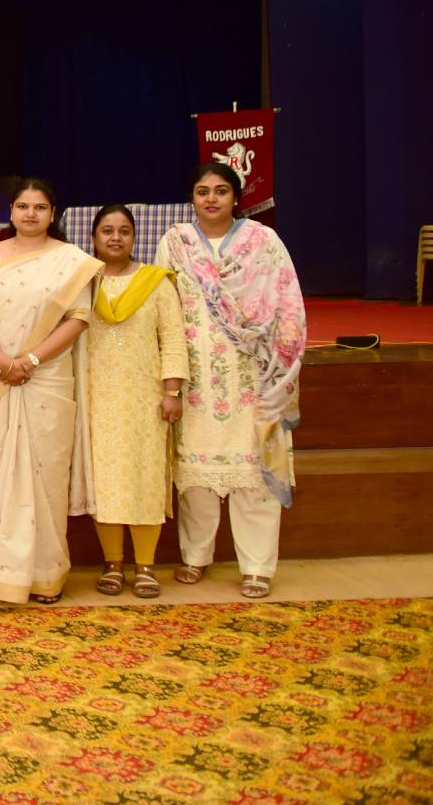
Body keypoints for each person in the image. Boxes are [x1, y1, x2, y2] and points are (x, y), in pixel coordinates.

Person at [156, 163, 305, 599]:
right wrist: (170, 378)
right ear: (192, 198)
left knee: (253, 473)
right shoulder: (176, 242)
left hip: (252, 373)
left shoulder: (263, 241)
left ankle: (257, 566)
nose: (211, 199)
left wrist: (280, 369)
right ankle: (195, 556)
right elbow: (164, 307)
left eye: (221, 191)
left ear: (236, 198)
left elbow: (288, 304)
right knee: (195, 475)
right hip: (196, 374)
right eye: (202, 191)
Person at [0, 178, 102, 604]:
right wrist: (5, 361)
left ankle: (45, 575)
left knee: (45, 479)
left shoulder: (72, 261)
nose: (30, 214)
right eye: (23, 206)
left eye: (39, 207)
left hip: (46, 378)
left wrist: (30, 361)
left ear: (52, 213)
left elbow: (78, 319)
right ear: (10, 211)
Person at [78, 204, 187, 599]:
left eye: (124, 231)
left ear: (134, 237)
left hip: (145, 399)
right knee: (105, 483)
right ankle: (112, 564)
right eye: (107, 230)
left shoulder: (156, 282)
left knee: (144, 479)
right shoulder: (82, 283)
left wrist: (172, 391)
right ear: (92, 237)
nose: (115, 237)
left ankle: (145, 565)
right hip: (97, 398)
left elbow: (173, 338)